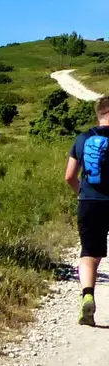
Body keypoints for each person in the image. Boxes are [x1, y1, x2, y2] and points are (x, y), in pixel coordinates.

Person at [65, 94, 109, 325]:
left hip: (89, 201)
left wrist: (82, 194)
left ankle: (88, 295)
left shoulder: (82, 138)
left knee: (89, 253)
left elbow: (69, 176)